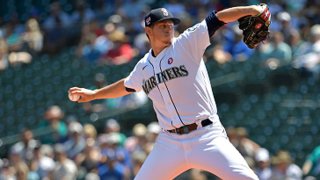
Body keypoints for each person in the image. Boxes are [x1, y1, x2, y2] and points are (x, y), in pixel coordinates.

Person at [69, 5, 269, 179]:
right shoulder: (143, 66)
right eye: (162, 26)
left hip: (206, 135)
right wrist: (94, 95)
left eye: (170, 24)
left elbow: (216, 18)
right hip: (169, 143)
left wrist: (252, 10)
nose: (169, 28)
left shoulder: (186, 43)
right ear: (149, 30)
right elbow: (127, 85)